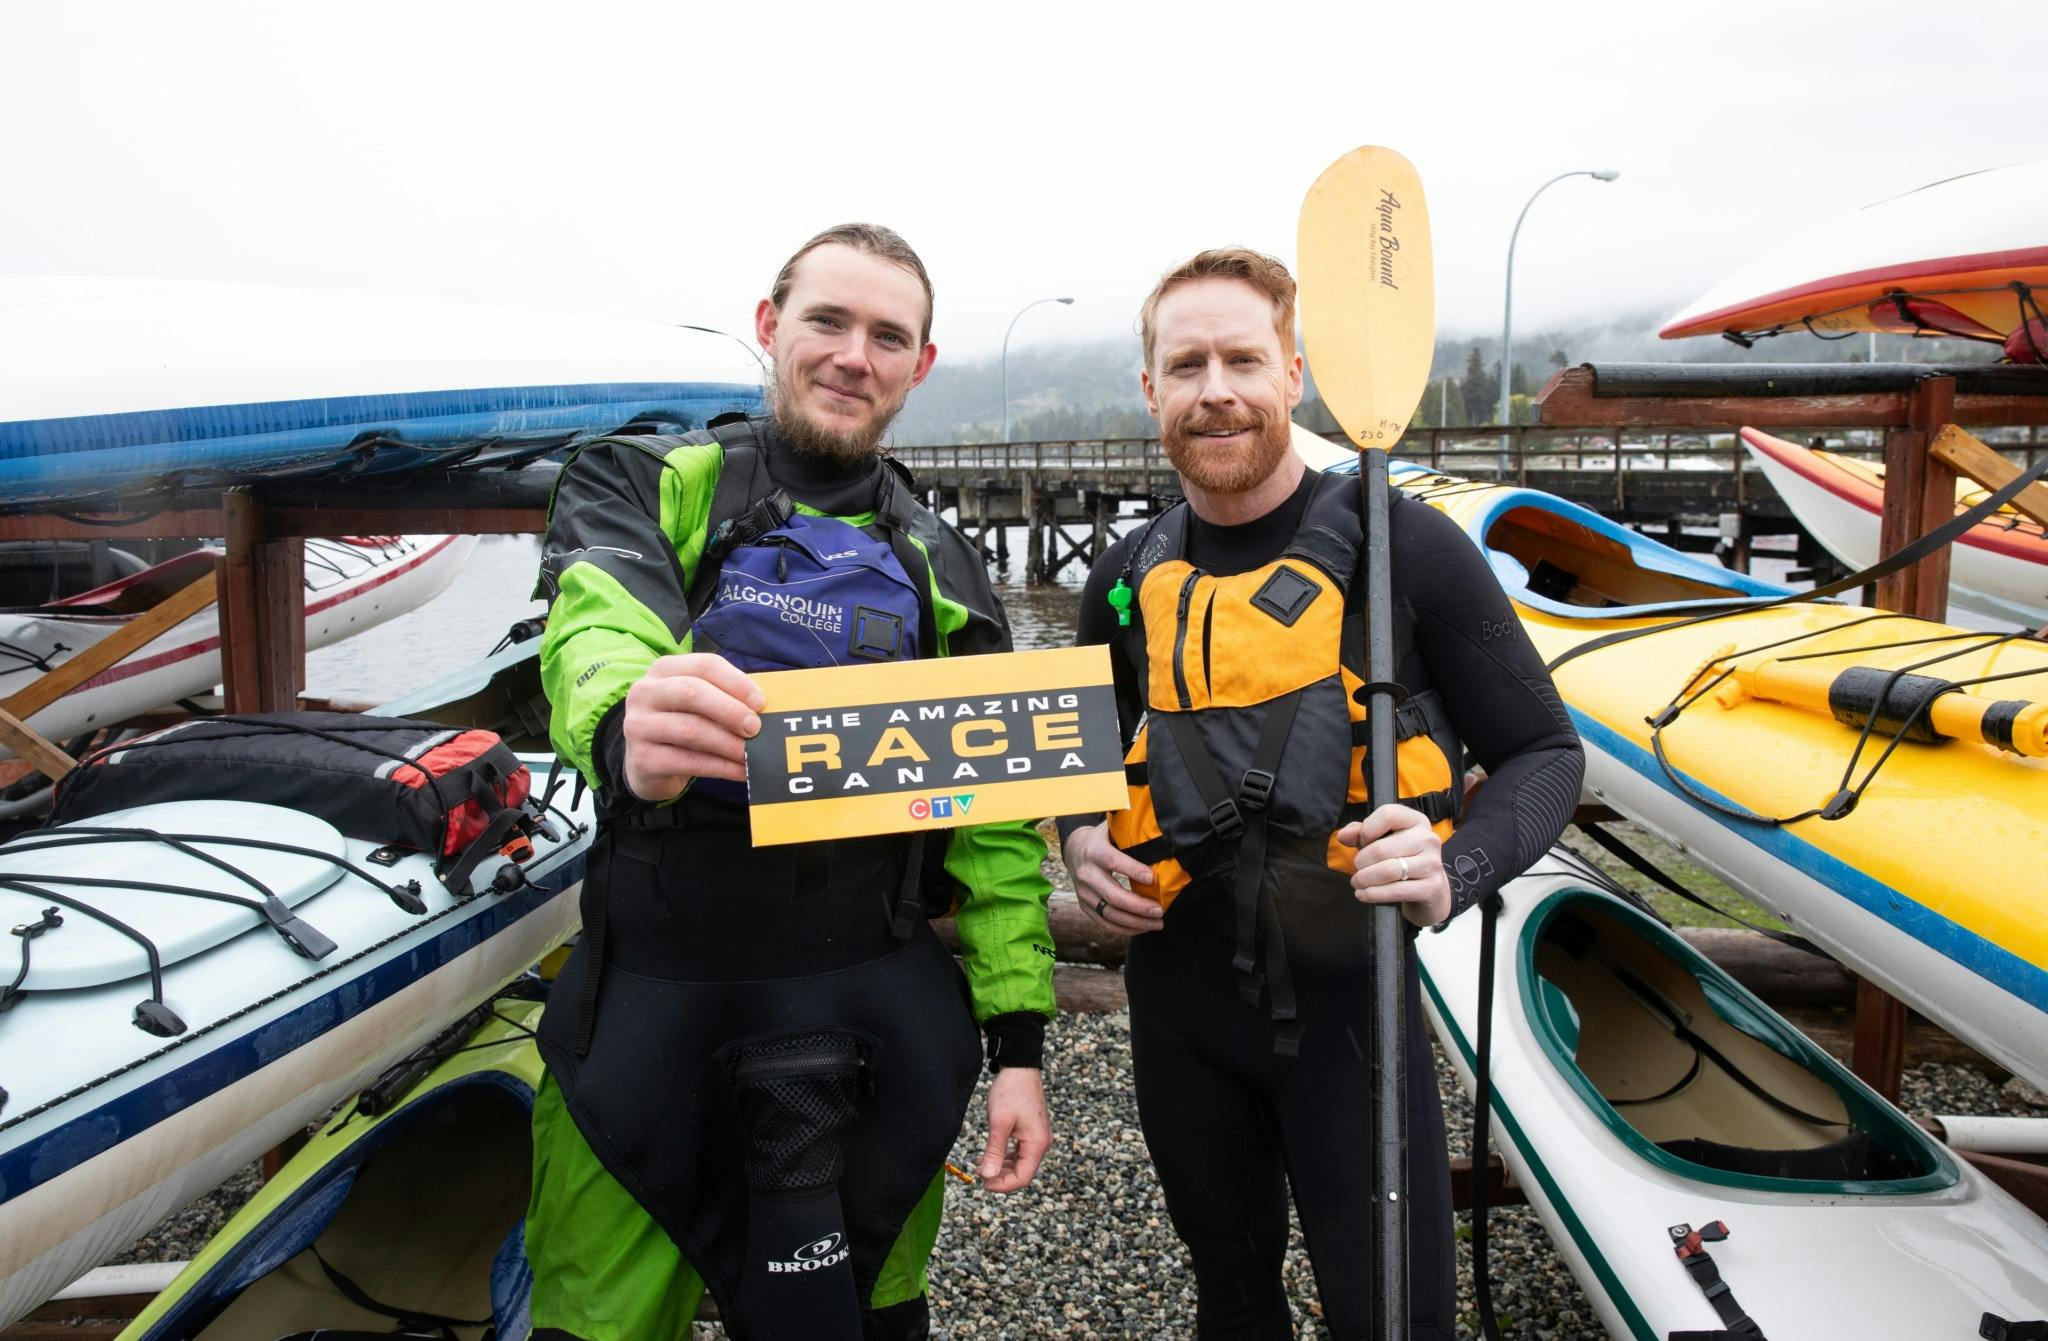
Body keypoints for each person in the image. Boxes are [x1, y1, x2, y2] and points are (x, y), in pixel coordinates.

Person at [525, 223, 1055, 1341]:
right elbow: (595, 630)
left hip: (872, 1013)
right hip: (648, 1012)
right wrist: (631, 718)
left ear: (918, 364)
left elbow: (997, 836)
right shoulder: (640, 483)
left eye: (887, 336)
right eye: (827, 320)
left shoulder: (946, 573)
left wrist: (1018, 1049)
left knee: (865, 1318)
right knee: (598, 1319)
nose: (852, 354)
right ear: (769, 328)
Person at [1059, 248, 1584, 1339]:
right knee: (1231, 1298)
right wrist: (1075, 838)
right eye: (1186, 363)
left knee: (1390, 1315)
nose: (1216, 390)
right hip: (1179, 1013)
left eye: (1242, 359)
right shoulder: (1122, 577)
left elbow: (1543, 754)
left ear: (1292, 375)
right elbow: (1075, 763)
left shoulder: (1408, 551)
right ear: (1149, 390)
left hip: (1355, 1017)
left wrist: (1457, 865)